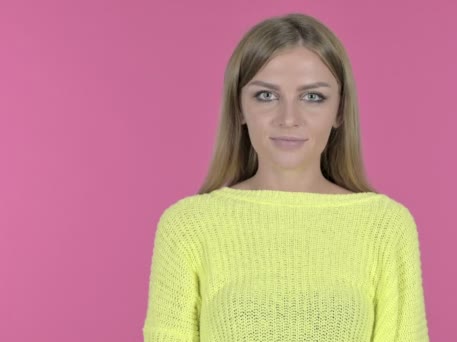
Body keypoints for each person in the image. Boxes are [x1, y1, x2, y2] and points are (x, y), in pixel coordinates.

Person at [142, 12, 430, 341]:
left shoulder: (385, 225)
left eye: (312, 97)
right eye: (267, 96)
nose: (288, 118)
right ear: (239, 108)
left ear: (339, 111)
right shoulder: (187, 225)